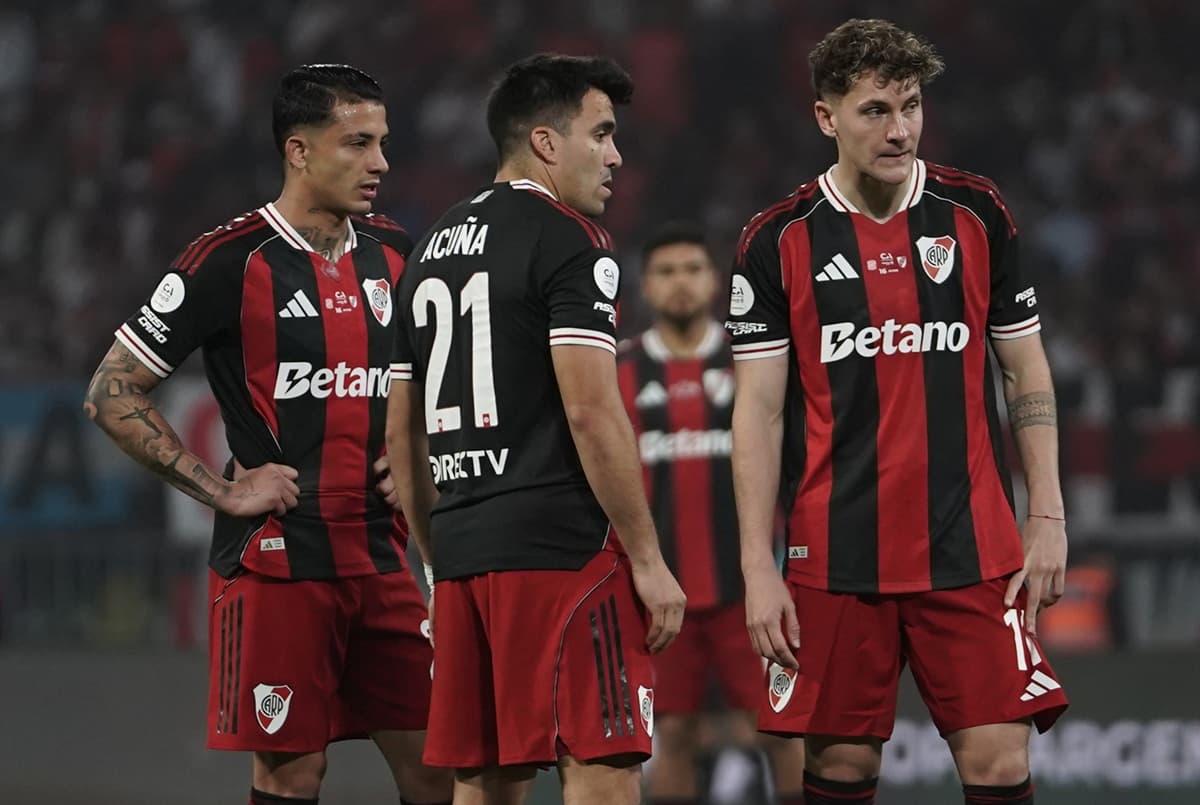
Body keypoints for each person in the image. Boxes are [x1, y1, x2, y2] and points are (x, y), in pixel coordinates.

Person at [84, 64, 451, 805]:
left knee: (434, 766)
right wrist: (220, 487)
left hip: (383, 555)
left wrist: (423, 454)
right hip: (279, 559)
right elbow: (110, 389)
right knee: (291, 773)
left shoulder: (398, 253)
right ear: (300, 150)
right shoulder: (229, 259)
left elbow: (439, 382)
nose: (380, 162)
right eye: (357, 143)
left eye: (382, 142)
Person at [725, 19, 1069, 805]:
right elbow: (760, 411)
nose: (900, 128)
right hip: (837, 555)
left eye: (911, 105)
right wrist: (756, 562)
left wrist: (1046, 511)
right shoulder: (777, 239)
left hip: (974, 547)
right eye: (876, 109)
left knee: (1000, 762)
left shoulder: (976, 212)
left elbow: (1026, 369)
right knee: (843, 769)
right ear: (826, 117)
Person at [385, 53, 686, 805]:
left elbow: (403, 433)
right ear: (547, 143)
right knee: (602, 764)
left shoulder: (424, 254)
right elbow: (590, 409)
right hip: (564, 552)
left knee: (482, 778)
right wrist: (646, 557)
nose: (616, 155)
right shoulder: (570, 239)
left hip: (461, 557)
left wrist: (434, 559)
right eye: (602, 134)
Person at [616, 222, 806, 805]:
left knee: (782, 728)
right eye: (666, 272)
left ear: (715, 279)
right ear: (645, 285)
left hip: (750, 591)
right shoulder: (618, 373)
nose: (680, 284)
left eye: (692, 270)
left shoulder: (754, 362)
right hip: (655, 595)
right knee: (670, 735)